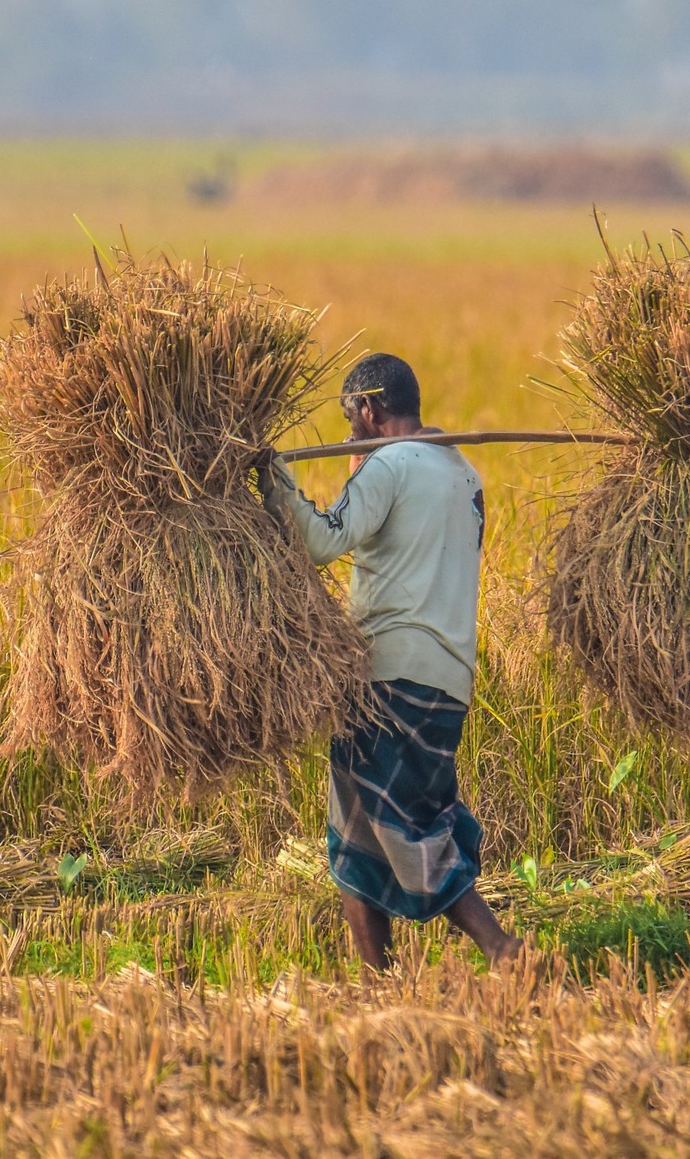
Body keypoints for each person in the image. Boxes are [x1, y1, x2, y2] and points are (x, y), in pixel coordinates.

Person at [257, 352, 522, 972]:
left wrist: (276, 482)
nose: (350, 437)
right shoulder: (464, 473)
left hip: (389, 671)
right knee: (355, 824)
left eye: (352, 422)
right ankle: (375, 979)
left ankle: (502, 949)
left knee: (406, 823)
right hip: (449, 677)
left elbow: (322, 541)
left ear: (371, 410)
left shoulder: (391, 466)